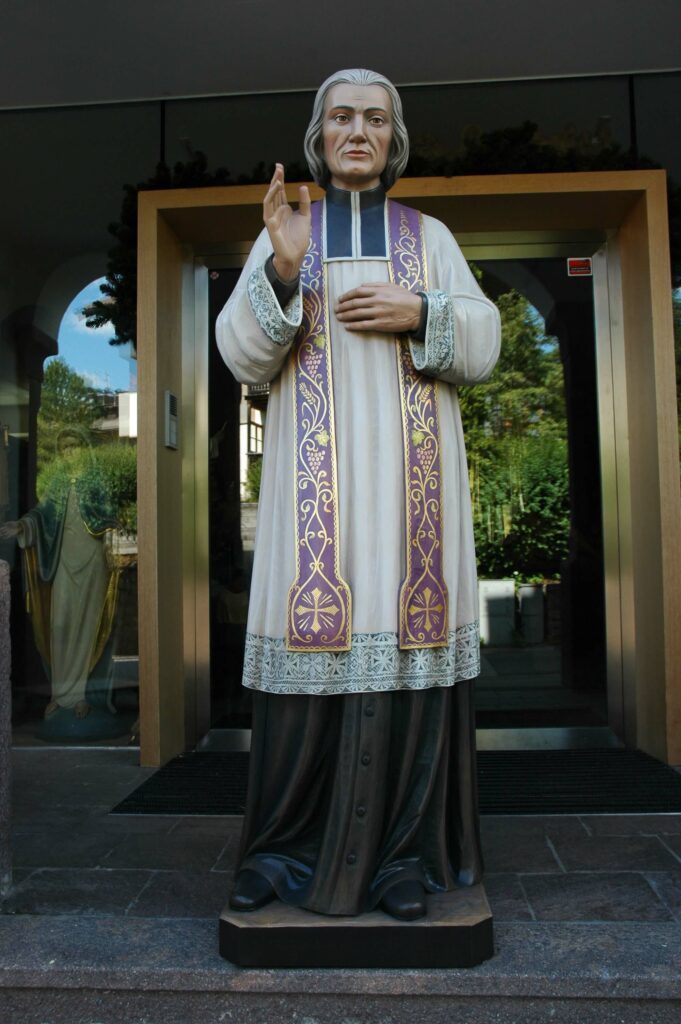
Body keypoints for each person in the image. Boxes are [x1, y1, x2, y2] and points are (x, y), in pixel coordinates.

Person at [216, 69, 501, 921]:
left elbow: (482, 340)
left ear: (393, 137)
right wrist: (280, 270)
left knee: (405, 672)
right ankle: (278, 849)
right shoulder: (286, 235)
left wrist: (422, 309)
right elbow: (239, 356)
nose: (357, 131)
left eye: (374, 119)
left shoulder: (428, 236)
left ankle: (398, 860)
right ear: (317, 133)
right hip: (318, 508)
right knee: (307, 671)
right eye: (340, 116)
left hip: (413, 506)